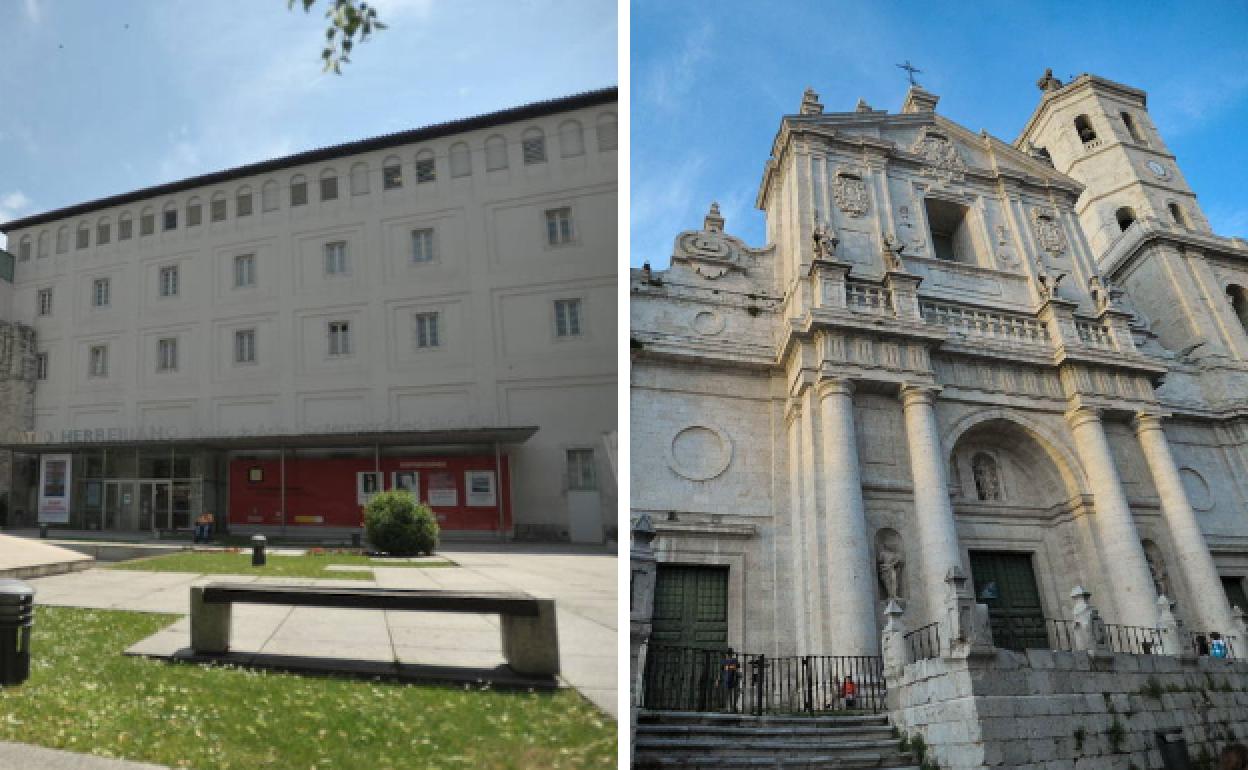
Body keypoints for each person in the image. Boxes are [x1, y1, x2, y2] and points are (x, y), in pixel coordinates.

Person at [720, 648, 740, 712]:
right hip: (726, 678)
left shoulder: (734, 660)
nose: (728, 655)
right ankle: (727, 708)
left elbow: (736, 667)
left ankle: (732, 708)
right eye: (728, 653)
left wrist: (728, 667)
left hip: (732, 678)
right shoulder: (724, 661)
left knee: (732, 694)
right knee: (727, 694)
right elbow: (722, 669)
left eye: (729, 653)